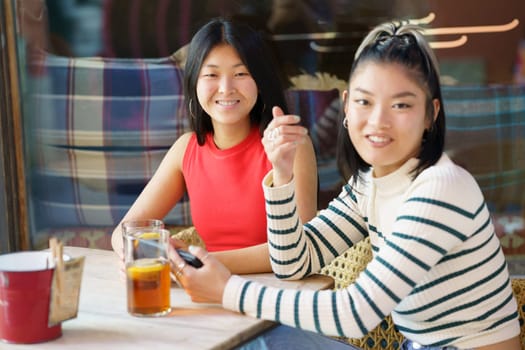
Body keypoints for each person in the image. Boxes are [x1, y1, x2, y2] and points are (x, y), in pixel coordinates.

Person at [168, 21, 521, 350]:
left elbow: (355, 314)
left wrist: (227, 289)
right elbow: (293, 263)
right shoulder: (368, 184)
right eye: (365, 101)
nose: (378, 121)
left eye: (401, 104)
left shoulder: (441, 187)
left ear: (431, 114)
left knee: (260, 340)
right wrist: (282, 176)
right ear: (347, 107)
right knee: (263, 339)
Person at [111, 18, 318, 274]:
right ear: (194, 82)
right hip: (206, 293)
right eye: (211, 74)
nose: (226, 88)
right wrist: (137, 253)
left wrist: (193, 261)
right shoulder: (185, 149)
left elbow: (302, 247)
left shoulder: (289, 145)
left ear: (260, 80)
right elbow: (124, 231)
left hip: (277, 294)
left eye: (241, 73)